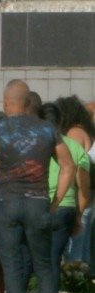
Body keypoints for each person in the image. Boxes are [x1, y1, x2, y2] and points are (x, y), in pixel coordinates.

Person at [0, 79, 75, 293]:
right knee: (44, 266)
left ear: (5, 103)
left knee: (12, 267)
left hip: (5, 204)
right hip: (38, 202)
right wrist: (56, 200)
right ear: (29, 102)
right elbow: (68, 166)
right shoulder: (46, 129)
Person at [36, 102, 90, 293]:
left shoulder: (33, 144)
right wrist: (78, 215)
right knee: (56, 257)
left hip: (37, 206)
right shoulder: (74, 147)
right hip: (65, 208)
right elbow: (83, 186)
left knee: (39, 258)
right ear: (61, 121)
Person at [57, 96, 95, 264]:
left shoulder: (74, 133)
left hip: (80, 197)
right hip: (87, 197)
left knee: (74, 250)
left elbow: (72, 167)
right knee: (84, 248)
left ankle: (73, 284)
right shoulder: (85, 132)